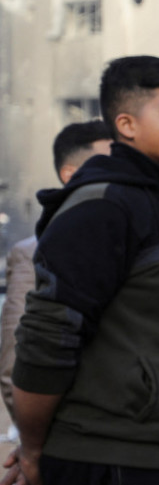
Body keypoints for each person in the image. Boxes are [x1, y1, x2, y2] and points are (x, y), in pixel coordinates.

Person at [0, 56, 159, 485]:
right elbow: (45, 339)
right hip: (103, 465)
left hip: (149, 458)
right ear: (127, 125)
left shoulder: (150, 201)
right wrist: (32, 450)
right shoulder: (105, 205)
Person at [1, 121, 112, 420]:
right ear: (71, 175)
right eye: (109, 164)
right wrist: (38, 443)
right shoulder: (34, 252)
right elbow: (16, 364)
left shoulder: (135, 240)